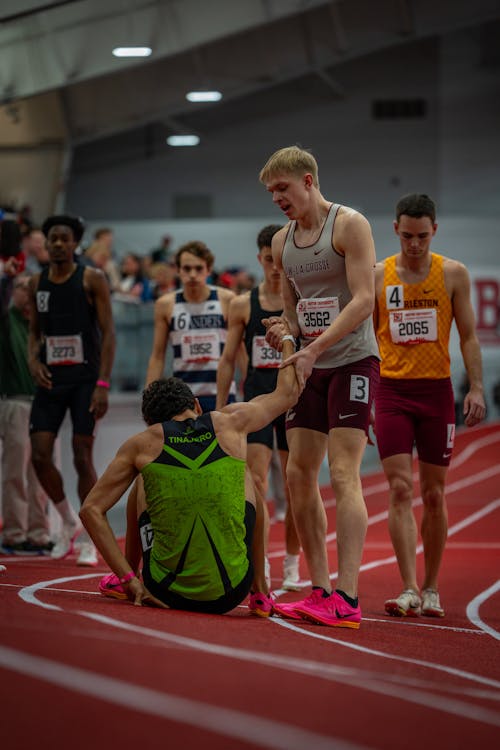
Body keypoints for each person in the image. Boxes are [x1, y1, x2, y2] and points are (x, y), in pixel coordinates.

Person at [80, 341, 300, 614]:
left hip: (163, 589)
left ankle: (127, 576)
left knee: (142, 479)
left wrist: (128, 581)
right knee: (248, 475)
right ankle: (260, 591)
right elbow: (289, 392)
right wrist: (288, 340)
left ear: (151, 422)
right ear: (196, 405)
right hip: (232, 591)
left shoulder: (142, 443)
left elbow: (90, 509)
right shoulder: (230, 422)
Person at [260, 145, 380, 629]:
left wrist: (313, 347)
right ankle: (319, 588)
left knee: (344, 472)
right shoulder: (282, 242)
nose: (277, 199)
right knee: (296, 477)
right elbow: (291, 311)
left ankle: (347, 598)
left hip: (352, 361)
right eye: (271, 193)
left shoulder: (350, 225)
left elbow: (365, 300)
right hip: (307, 367)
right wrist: (286, 335)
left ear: (308, 181)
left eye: (282, 189)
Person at [374, 193, 486, 618]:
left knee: (434, 494)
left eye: (422, 236)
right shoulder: (378, 276)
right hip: (391, 392)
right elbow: (366, 340)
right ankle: (408, 588)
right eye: (407, 236)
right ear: (396, 230)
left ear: (434, 230)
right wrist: (367, 396)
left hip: (437, 393)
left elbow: (469, 336)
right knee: (400, 488)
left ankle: (432, 587)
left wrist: (475, 387)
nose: (414, 244)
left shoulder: (453, 274)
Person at [216, 224, 301, 592]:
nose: (276, 268)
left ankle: (293, 560)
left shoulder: (297, 302)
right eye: (269, 261)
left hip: (294, 397)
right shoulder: (241, 304)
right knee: (258, 478)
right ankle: (261, 556)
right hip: (256, 398)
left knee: (297, 483)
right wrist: (220, 408)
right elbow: (227, 359)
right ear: (260, 259)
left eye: (281, 261)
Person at [28, 214, 116, 565]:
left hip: (85, 381)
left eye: (65, 239)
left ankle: (89, 538)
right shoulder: (37, 283)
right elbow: (35, 331)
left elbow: (108, 333)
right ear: (46, 244)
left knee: (82, 455)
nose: (59, 244)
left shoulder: (91, 279)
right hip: (51, 380)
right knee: (39, 454)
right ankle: (66, 521)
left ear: (75, 243)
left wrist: (103, 384)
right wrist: (33, 361)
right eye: (53, 239)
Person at [145, 240, 240, 410]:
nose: (193, 274)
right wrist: (148, 397)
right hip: (183, 397)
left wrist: (250, 388)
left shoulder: (227, 299)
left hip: (222, 393)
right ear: (178, 270)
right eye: (187, 269)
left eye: (199, 268)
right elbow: (158, 355)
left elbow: (240, 349)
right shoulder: (166, 304)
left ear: (208, 270)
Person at [0, 262, 52, 555]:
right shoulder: (6, 320)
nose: (26, 291)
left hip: (44, 403)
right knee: (15, 470)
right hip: (16, 400)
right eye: (21, 287)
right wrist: (7, 278)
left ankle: (39, 531)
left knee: (42, 470)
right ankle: (14, 532)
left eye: (30, 287)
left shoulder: (43, 324)